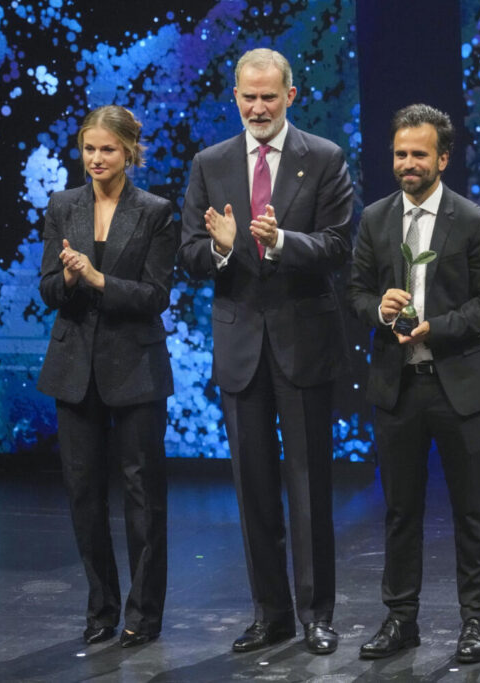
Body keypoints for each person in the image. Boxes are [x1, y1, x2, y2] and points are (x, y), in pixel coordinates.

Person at [179, 48, 353, 655]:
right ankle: (270, 614)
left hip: (303, 342)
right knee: (252, 489)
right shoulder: (210, 163)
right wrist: (223, 250)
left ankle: (316, 615)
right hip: (240, 346)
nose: (258, 106)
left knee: (309, 489)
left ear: (290, 96)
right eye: (248, 97)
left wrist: (282, 241)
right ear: (235, 97)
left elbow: (336, 245)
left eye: (269, 97)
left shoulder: (324, 158)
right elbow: (189, 253)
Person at [349, 104, 480, 664]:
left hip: (458, 384)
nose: (408, 163)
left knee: (471, 510)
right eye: (400, 153)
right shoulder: (373, 219)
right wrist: (379, 310)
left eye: (419, 154)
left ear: (443, 157)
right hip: (398, 386)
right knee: (400, 510)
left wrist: (434, 328)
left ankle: (475, 622)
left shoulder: (474, 220)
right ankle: (400, 618)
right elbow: (356, 294)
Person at [37, 105, 177, 648]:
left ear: (130, 152)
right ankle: (101, 608)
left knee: (143, 495)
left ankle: (144, 612)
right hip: (74, 369)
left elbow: (156, 296)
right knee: (84, 494)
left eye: (108, 150)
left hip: (135, 365)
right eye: (90, 149)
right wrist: (71, 282)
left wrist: (98, 279)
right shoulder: (62, 205)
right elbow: (48, 287)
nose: (97, 159)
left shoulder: (155, 211)